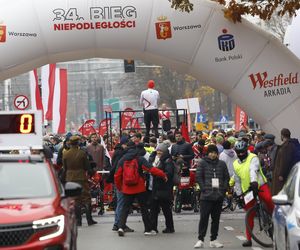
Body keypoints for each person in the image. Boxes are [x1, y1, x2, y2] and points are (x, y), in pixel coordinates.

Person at [114, 141, 167, 237]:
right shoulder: (139, 159)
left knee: (125, 209)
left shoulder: (122, 160)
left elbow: (117, 175)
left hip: (126, 188)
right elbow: (151, 169)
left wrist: (119, 187)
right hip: (139, 187)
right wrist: (163, 174)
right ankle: (147, 229)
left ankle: (121, 227)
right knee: (144, 209)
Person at [233, 140, 274, 247]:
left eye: (243, 152)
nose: (241, 154)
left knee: (269, 200)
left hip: (259, 185)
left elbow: (253, 170)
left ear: (246, 150)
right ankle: (249, 239)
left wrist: (254, 182)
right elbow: (237, 180)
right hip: (247, 190)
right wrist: (239, 195)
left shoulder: (253, 157)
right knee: (249, 214)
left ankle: (276, 219)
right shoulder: (235, 164)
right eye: (239, 152)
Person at [194, 144, 229, 249]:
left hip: (218, 195)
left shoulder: (222, 164)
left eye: (215, 153)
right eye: (211, 152)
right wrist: (204, 188)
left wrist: (223, 189)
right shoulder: (202, 163)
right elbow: (198, 177)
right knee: (204, 218)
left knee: (216, 219)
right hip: (206, 196)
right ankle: (200, 239)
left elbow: (226, 177)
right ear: (207, 153)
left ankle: (213, 239)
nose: (213, 154)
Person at [63, 136, 97, 226]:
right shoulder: (82, 153)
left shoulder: (65, 154)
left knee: (75, 199)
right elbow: (87, 167)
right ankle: (89, 219)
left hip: (70, 178)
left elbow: (65, 167)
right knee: (86, 197)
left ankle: (78, 221)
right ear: (78, 143)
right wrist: (91, 172)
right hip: (81, 177)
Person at [149, 143, 175, 234]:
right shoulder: (153, 158)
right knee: (154, 209)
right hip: (155, 187)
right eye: (158, 150)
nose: (159, 152)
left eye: (161, 150)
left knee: (166, 209)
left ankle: (170, 227)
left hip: (164, 187)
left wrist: (157, 174)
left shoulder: (168, 160)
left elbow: (169, 173)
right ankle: (153, 228)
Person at [272, 128, 297, 195]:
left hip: (282, 176)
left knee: (281, 193)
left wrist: (281, 174)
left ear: (282, 136)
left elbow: (285, 161)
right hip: (286, 174)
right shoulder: (289, 145)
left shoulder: (287, 146)